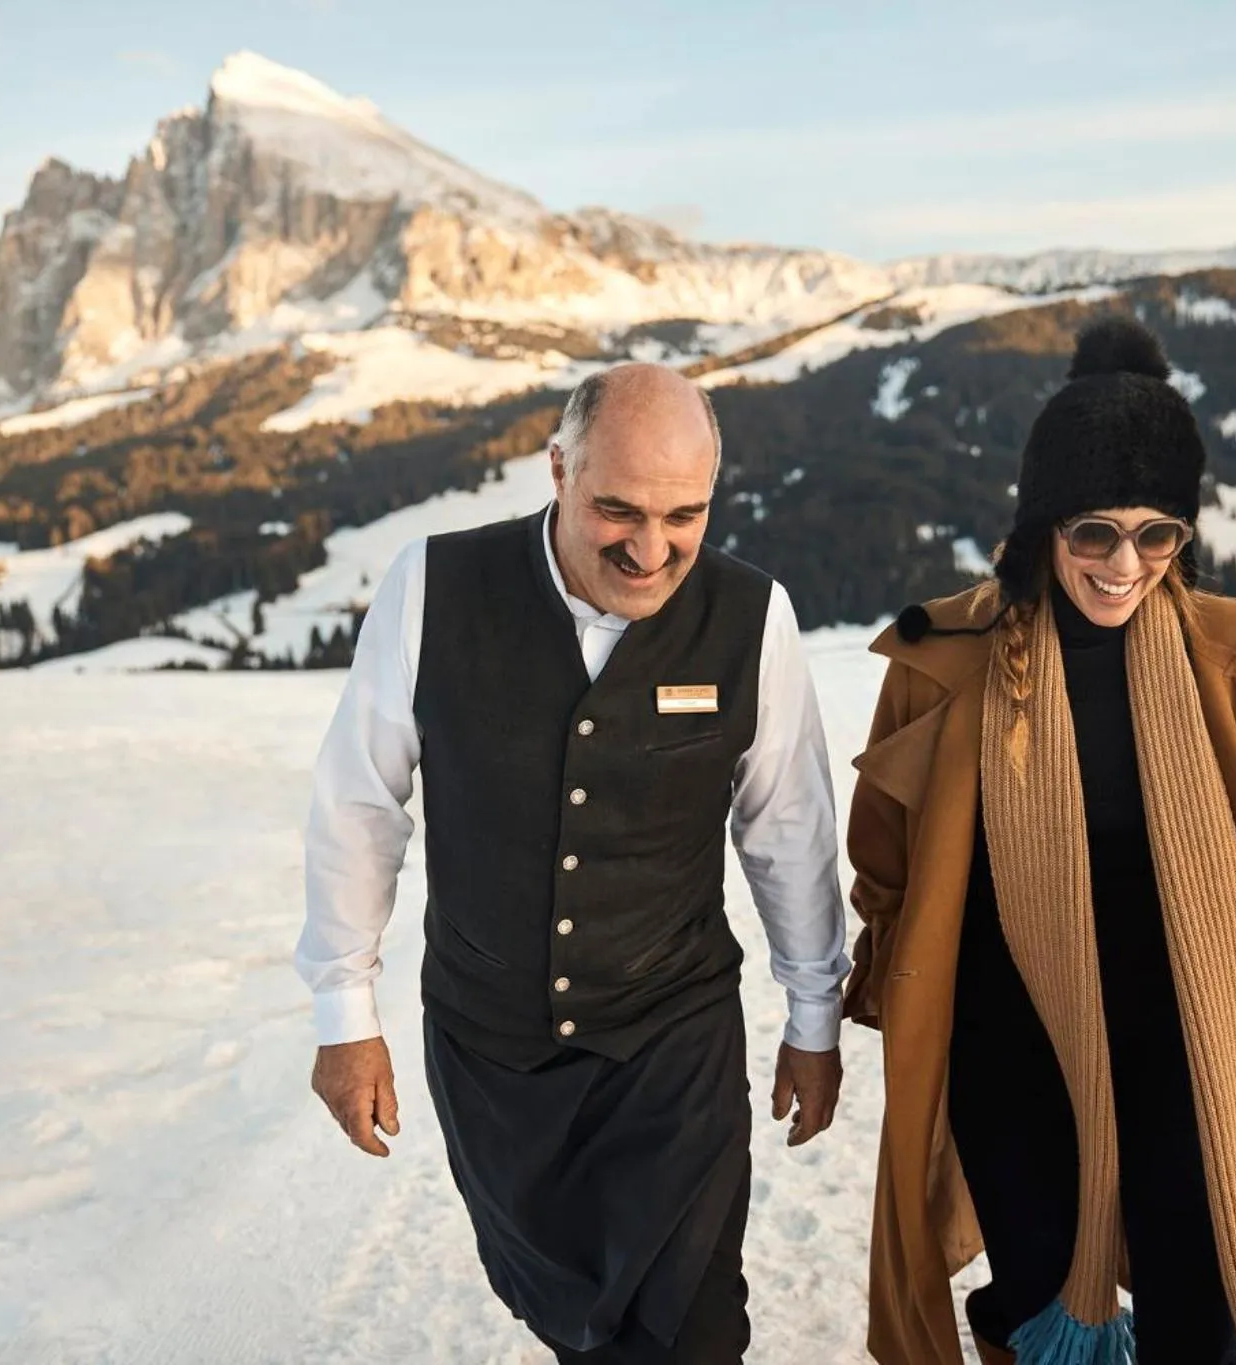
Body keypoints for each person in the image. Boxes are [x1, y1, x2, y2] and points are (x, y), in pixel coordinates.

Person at [841, 317, 1236, 1365]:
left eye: (1158, 535)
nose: (1126, 563)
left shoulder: (1227, 658)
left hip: (1182, 1018)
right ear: (1039, 526)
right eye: (1094, 533)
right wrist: (900, 971)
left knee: (1194, 1280)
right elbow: (881, 856)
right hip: (1004, 1019)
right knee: (1031, 1283)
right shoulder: (946, 659)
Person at [295, 362, 851, 1364]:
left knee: (691, 1329)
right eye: (617, 511)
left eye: (683, 515)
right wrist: (345, 1019)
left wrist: (813, 1020)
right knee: (576, 1328)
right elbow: (359, 805)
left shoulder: (748, 617)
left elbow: (788, 832)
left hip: (671, 1047)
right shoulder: (433, 589)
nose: (650, 549)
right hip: (493, 1054)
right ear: (556, 469)